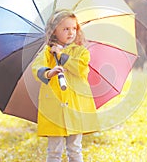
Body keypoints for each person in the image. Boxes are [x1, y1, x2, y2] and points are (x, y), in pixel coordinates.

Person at [32, 9, 99, 162]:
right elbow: (36, 68)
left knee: (75, 148)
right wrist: (50, 72)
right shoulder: (48, 52)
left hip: (75, 107)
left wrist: (62, 55)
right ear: (55, 31)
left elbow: (80, 69)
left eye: (74, 28)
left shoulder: (81, 52)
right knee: (54, 150)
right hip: (54, 108)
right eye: (65, 29)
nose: (71, 32)